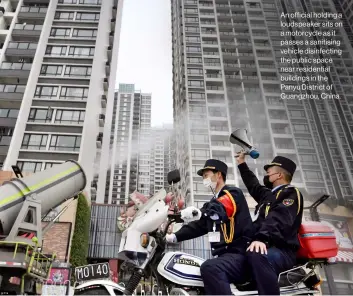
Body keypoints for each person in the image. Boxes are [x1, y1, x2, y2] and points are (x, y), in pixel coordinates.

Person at [166, 159, 254, 295]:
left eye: (206, 175)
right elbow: (198, 226)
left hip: (241, 255)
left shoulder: (233, 194)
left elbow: (220, 208)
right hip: (227, 257)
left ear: (218, 174)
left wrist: (201, 212)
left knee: (210, 268)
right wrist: (174, 236)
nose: (204, 179)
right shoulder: (214, 203)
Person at [236, 153, 304, 295]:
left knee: (257, 254)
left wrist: (261, 238)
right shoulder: (268, 195)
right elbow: (253, 184)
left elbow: (278, 219)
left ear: (279, 175)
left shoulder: (290, 193)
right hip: (265, 244)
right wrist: (241, 163)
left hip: (282, 250)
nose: (266, 175)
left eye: (269, 172)